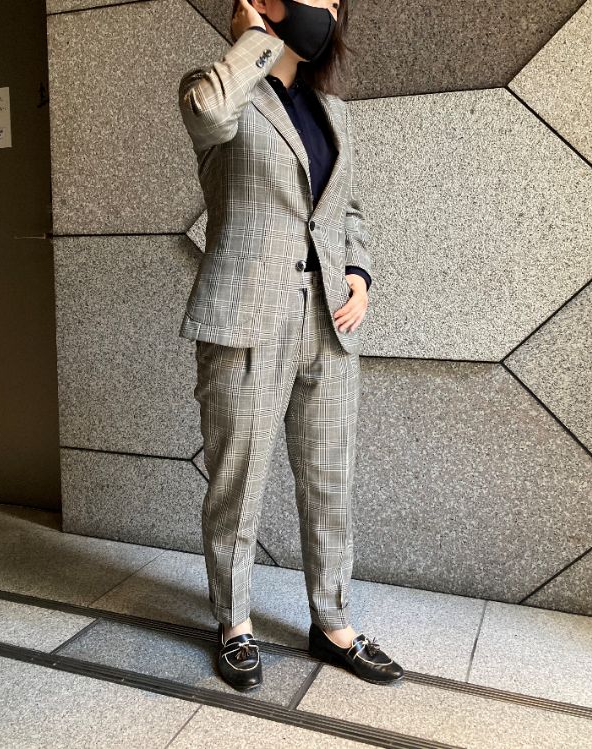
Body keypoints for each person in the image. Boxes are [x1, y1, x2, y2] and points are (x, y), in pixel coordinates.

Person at [178, 0, 404, 690]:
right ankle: (233, 622)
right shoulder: (219, 86)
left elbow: (346, 208)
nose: (327, 11)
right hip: (248, 316)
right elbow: (209, 113)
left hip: (328, 323)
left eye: (336, 5)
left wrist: (359, 273)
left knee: (330, 479)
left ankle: (332, 623)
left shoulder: (330, 109)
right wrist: (251, 40)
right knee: (238, 481)